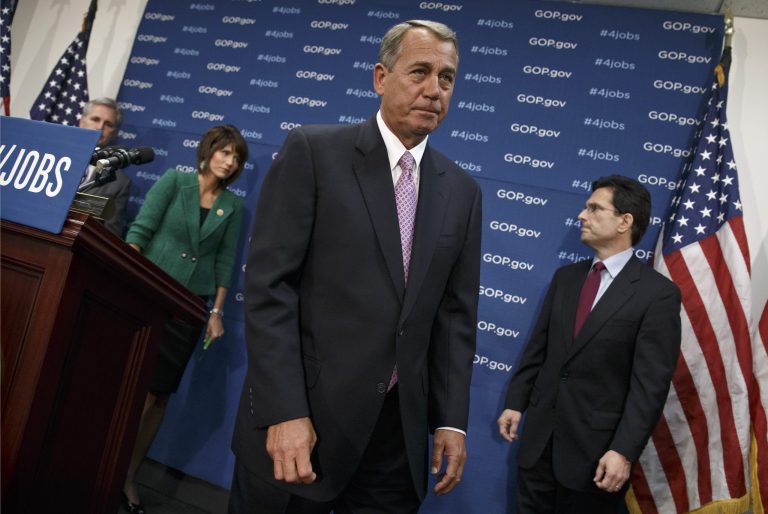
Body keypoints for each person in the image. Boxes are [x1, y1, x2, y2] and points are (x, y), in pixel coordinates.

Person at [229, 19, 482, 514]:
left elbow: (455, 319)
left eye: (447, 78)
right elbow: (269, 288)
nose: (434, 90)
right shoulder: (313, 152)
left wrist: (451, 420)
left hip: (395, 448)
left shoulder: (464, 192)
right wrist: (284, 410)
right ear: (380, 78)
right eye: (420, 72)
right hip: (302, 428)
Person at [497, 175, 682, 513]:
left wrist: (623, 450)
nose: (582, 215)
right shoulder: (566, 278)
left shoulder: (657, 295)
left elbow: (650, 387)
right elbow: (539, 350)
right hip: (538, 447)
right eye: (586, 207)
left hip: (595, 459)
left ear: (625, 221)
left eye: (595, 208)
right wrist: (516, 402)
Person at [121, 124, 249, 513]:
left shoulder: (233, 206)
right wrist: (125, 282)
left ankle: (128, 476)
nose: (230, 162)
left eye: (237, 157)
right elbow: (139, 232)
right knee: (130, 388)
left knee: (159, 396)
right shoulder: (175, 182)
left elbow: (225, 261)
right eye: (225, 152)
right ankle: (103, 465)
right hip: (148, 294)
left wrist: (216, 312)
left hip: (190, 305)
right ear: (208, 151)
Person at [77, 97, 132, 237]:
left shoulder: (119, 183)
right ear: (82, 121)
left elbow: (109, 235)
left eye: (108, 124)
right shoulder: (53, 158)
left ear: (115, 133)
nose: (100, 127)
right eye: (95, 119)